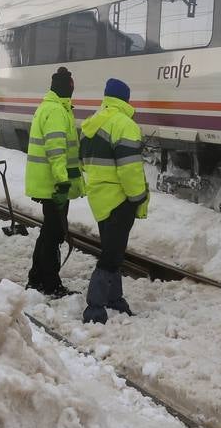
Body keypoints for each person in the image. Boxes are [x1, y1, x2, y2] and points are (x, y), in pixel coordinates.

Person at [78, 78, 148, 323]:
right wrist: (138, 196)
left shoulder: (92, 123)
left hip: (99, 197)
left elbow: (82, 161)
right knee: (111, 254)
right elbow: (129, 169)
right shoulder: (124, 124)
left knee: (114, 250)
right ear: (126, 99)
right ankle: (95, 306)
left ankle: (114, 297)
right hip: (120, 199)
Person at [25, 66, 83, 298]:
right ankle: (49, 283)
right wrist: (62, 182)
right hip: (53, 185)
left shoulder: (49, 107)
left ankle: (37, 277)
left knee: (50, 231)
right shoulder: (57, 111)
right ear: (66, 89)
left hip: (47, 182)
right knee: (54, 232)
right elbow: (56, 149)